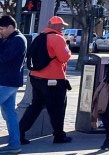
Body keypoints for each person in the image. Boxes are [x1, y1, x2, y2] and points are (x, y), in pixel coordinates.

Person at [18, 15, 72, 144]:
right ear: (55, 26)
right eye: (61, 25)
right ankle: (59, 135)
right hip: (53, 78)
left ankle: (19, 132)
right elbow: (64, 58)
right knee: (58, 108)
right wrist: (69, 51)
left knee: (35, 106)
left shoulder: (39, 37)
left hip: (36, 77)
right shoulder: (58, 39)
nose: (63, 28)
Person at [0, 15, 27, 154]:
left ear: (11, 27)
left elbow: (4, 58)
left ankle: (15, 144)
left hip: (7, 82)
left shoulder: (17, 40)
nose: (1, 31)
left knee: (10, 114)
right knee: (10, 114)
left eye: (2, 29)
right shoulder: (10, 39)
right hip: (7, 81)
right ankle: (15, 144)